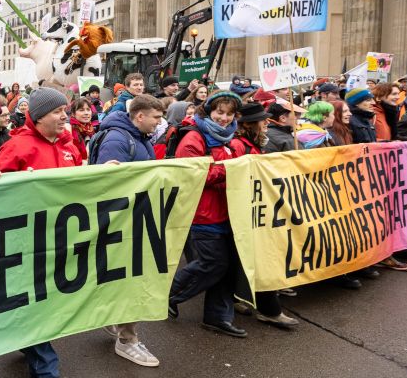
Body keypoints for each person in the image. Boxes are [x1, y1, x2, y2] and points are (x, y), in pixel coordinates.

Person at [0, 87, 83, 378]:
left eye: (65, 110)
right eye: (58, 111)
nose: (65, 116)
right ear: (40, 116)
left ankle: (25, 340)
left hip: (60, 239)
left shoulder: (70, 147)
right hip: (28, 243)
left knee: (47, 302)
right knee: (38, 304)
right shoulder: (17, 147)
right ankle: (45, 369)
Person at [89, 94, 166, 364]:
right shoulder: (117, 140)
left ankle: (115, 320)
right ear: (140, 116)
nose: (160, 123)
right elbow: (108, 187)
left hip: (135, 218)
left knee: (124, 278)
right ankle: (127, 339)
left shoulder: (139, 138)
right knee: (132, 280)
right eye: (156, 118)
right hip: (123, 222)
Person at [168, 91, 246, 337]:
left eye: (229, 114)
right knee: (213, 263)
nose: (224, 118)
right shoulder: (193, 139)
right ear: (208, 111)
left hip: (230, 212)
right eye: (219, 112)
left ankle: (218, 317)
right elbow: (192, 175)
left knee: (228, 266)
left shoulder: (233, 140)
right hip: (202, 213)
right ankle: (168, 295)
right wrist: (231, 171)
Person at [228, 102, 300, 329]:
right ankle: (269, 310)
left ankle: (243, 298)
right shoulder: (238, 145)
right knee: (260, 258)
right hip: (247, 211)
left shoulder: (254, 143)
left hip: (259, 209)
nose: (267, 123)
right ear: (249, 125)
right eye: (262, 120)